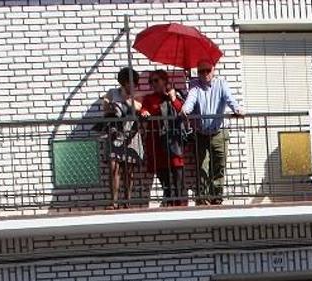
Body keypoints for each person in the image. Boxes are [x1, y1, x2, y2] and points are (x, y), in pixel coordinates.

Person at [181, 58, 242, 204]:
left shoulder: (221, 84)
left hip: (219, 132)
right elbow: (190, 100)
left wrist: (237, 109)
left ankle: (216, 198)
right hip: (201, 134)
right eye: (201, 71)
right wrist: (185, 110)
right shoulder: (194, 85)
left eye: (207, 70)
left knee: (219, 166)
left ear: (213, 70)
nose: (204, 74)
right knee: (202, 167)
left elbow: (230, 99)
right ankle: (203, 199)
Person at [100, 67, 147, 208]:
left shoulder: (137, 95)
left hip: (131, 134)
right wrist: (110, 108)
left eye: (134, 83)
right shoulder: (112, 93)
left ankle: (127, 201)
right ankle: (114, 201)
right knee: (114, 166)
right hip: (116, 133)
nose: (132, 86)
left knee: (128, 169)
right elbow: (105, 108)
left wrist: (127, 99)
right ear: (123, 82)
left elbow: (139, 107)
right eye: (128, 83)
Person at [140, 69, 187, 206]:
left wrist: (173, 98)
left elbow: (183, 112)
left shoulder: (174, 95)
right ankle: (168, 201)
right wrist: (144, 112)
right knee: (163, 175)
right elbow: (144, 109)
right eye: (151, 81)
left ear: (164, 81)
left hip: (173, 141)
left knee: (177, 172)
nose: (153, 84)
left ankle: (180, 202)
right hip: (157, 142)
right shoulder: (149, 98)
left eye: (156, 80)